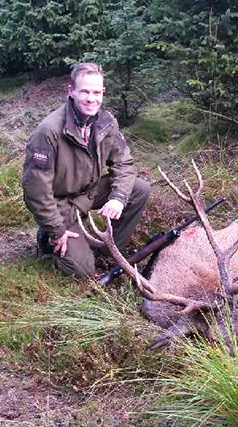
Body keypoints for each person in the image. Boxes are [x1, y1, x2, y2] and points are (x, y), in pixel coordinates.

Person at [22, 63, 150, 279]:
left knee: (139, 189)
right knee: (81, 270)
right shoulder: (49, 131)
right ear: (71, 91)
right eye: (85, 91)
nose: (91, 99)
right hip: (60, 204)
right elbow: (35, 190)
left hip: (88, 192)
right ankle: (47, 236)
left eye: (96, 92)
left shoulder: (107, 122)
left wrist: (118, 198)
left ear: (103, 93)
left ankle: (108, 251)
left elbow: (124, 164)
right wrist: (56, 229)